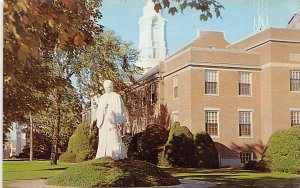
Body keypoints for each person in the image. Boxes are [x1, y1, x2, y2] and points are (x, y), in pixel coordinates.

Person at [94, 80, 127, 160]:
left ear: (112, 87)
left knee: (114, 137)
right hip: (104, 121)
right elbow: (98, 111)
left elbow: (120, 110)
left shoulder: (116, 96)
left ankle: (115, 155)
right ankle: (102, 155)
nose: (107, 89)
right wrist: (102, 110)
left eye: (109, 87)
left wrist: (120, 121)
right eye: (106, 87)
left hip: (113, 122)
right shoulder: (102, 98)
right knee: (103, 139)